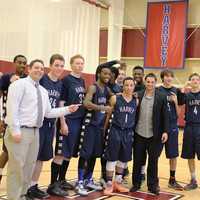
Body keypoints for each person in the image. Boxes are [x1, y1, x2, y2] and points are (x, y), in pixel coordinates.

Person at [4, 59, 80, 200]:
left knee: (28, 167)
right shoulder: (19, 85)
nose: (39, 70)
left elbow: (48, 112)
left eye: (41, 68)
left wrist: (67, 109)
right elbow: (12, 108)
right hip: (21, 131)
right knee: (17, 169)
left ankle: (22, 195)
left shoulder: (42, 91)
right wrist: (15, 130)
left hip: (35, 132)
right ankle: (13, 197)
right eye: (36, 67)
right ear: (29, 69)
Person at [26, 54, 65, 199]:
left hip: (51, 125)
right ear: (50, 66)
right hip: (38, 124)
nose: (59, 68)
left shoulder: (60, 84)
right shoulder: (42, 79)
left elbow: (59, 105)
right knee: (32, 157)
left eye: (61, 65)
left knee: (41, 158)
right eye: (56, 65)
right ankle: (26, 187)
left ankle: (34, 185)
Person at [47, 54, 86, 196]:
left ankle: (62, 180)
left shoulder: (82, 81)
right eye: (77, 63)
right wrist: (62, 122)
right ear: (71, 64)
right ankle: (53, 184)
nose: (80, 65)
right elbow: (61, 103)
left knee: (69, 153)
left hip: (78, 121)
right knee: (61, 153)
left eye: (82, 63)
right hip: (68, 121)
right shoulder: (66, 81)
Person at [75, 63, 112, 196]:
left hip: (99, 127)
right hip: (89, 125)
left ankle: (88, 179)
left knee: (94, 154)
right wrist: (103, 108)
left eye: (109, 74)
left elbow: (114, 97)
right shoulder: (93, 87)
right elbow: (86, 103)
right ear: (99, 74)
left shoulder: (106, 89)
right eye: (105, 73)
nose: (107, 76)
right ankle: (79, 182)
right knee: (85, 154)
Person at [130, 73, 169, 195]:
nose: (150, 84)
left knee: (153, 161)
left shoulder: (162, 97)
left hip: (154, 135)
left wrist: (165, 131)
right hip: (139, 133)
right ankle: (136, 183)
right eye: (148, 82)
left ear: (155, 83)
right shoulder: (138, 95)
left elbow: (165, 116)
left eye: (152, 82)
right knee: (137, 160)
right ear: (145, 82)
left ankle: (152, 185)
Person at [103, 77, 138, 195]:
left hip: (128, 132)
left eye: (131, 85)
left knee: (123, 159)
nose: (128, 88)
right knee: (112, 158)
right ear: (122, 86)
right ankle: (108, 184)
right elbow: (108, 115)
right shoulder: (115, 98)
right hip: (115, 131)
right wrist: (104, 129)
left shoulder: (136, 101)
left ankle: (117, 183)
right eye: (126, 85)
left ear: (134, 86)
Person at [0, 55, 27, 183]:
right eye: (19, 62)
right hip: (10, 121)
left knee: (19, 154)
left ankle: (16, 181)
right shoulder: (6, 77)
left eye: (24, 63)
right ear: (14, 63)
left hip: (24, 123)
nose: (22, 65)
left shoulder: (28, 79)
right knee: (6, 151)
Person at [158, 70, 183, 190]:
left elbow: (178, 114)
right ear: (162, 78)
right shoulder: (158, 90)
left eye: (170, 76)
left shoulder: (176, 91)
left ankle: (172, 180)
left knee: (173, 155)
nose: (168, 78)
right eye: (166, 76)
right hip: (160, 126)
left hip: (172, 126)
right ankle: (153, 179)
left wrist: (176, 101)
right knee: (155, 154)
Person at [177, 73, 200, 190]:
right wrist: (184, 86)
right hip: (189, 127)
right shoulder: (187, 95)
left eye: (197, 79)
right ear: (190, 82)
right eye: (192, 79)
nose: (195, 81)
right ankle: (193, 179)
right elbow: (180, 101)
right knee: (190, 155)